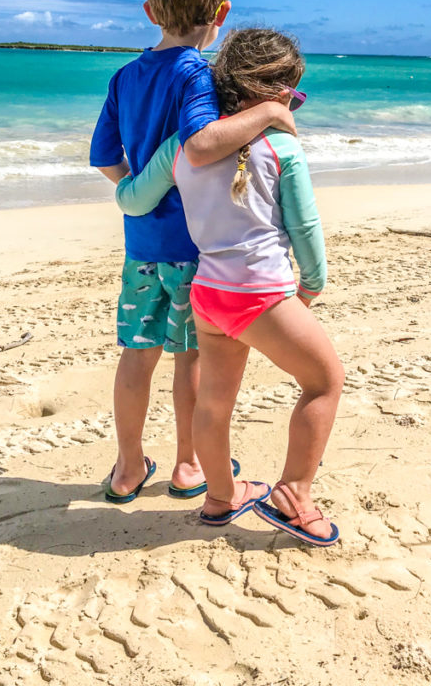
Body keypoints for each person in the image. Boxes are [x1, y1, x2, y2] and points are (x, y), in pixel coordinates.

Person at [115, 27, 344, 546]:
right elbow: (305, 229)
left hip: (207, 295)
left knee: (214, 406)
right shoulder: (281, 144)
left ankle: (221, 497)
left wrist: (123, 178)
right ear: (281, 94)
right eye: (295, 97)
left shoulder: (182, 147)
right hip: (259, 294)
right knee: (325, 382)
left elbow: (132, 200)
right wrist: (311, 286)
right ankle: (295, 496)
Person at [90, 0, 297, 504]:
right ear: (222, 14)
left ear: (150, 12)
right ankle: (185, 464)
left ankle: (128, 467)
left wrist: (140, 192)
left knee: (137, 356)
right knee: (190, 357)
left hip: (141, 248)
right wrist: (271, 112)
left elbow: (108, 159)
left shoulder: (125, 78)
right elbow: (203, 143)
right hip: (194, 248)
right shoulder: (196, 75)